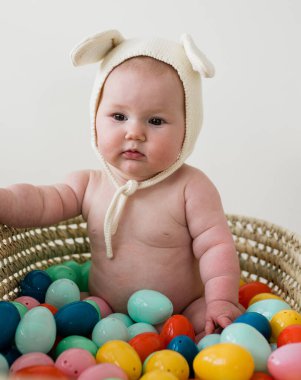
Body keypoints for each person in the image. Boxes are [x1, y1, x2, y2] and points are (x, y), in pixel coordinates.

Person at [0, 30, 242, 340]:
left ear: (188, 128)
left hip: (181, 313)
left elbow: (216, 246)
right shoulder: (89, 183)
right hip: (105, 313)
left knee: (212, 329)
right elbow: (40, 201)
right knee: (71, 326)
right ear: (95, 119)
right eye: (118, 116)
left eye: (155, 121)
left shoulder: (190, 188)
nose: (135, 133)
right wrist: (6, 201)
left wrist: (222, 299)